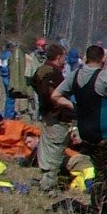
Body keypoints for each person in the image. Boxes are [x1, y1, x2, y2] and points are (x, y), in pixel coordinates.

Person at [53, 44, 107, 214]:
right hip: (103, 131)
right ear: (102, 59)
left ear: (86, 57)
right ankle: (99, 210)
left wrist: (73, 106)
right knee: (102, 171)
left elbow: (55, 95)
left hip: (85, 131)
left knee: (105, 166)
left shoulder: (75, 75)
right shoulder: (106, 77)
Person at [31, 43, 74, 193]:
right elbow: (51, 95)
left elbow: (33, 84)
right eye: (63, 56)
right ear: (58, 57)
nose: (65, 60)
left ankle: (46, 180)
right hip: (56, 116)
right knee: (54, 149)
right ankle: (49, 185)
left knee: (47, 148)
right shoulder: (52, 73)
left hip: (46, 114)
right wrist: (69, 106)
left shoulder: (41, 69)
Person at [0, 41, 17, 118]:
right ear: (11, 47)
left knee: (8, 96)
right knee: (11, 97)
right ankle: (9, 115)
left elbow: (0, 66)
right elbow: (9, 68)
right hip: (8, 78)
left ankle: (7, 113)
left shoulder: (3, 55)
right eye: (14, 47)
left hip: (4, 77)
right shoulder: (10, 55)